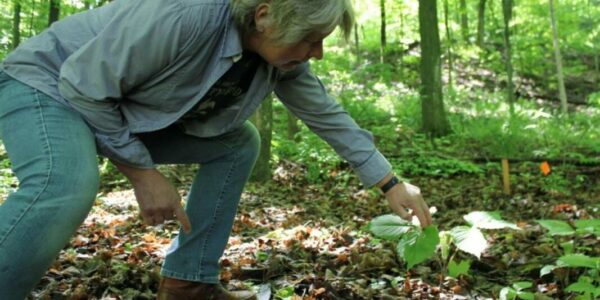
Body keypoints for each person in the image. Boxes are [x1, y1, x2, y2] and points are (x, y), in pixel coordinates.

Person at [0, 0, 433, 299]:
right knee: (66, 184)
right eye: (312, 38)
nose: (316, 53)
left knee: (238, 142)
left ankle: (188, 284)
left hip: (110, 107)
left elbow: (325, 113)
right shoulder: (185, 17)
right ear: (264, 16)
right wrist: (143, 173)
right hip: (46, 84)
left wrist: (390, 182)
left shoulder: (278, 56)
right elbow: (82, 84)